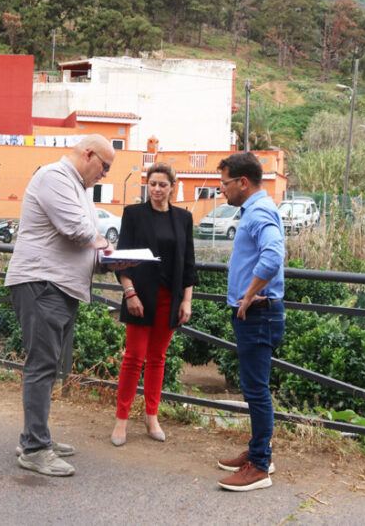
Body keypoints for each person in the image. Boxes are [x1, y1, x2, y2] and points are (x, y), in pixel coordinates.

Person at [4, 134, 122, 477]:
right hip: (43, 284)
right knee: (42, 365)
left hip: (59, 286)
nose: (105, 175)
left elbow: (85, 244)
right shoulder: (54, 177)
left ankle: (36, 437)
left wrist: (110, 262)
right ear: (89, 155)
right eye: (105, 166)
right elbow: (78, 230)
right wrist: (105, 246)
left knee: (49, 364)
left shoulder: (79, 188)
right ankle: (35, 449)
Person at [213, 152, 286, 492]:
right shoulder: (258, 209)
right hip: (257, 313)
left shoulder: (258, 212)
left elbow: (274, 254)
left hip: (257, 314)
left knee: (256, 392)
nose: (222, 189)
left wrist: (249, 293)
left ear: (243, 182)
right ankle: (261, 452)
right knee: (254, 389)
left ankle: (258, 466)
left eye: (225, 183)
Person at [110, 161, 196, 446]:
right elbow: (121, 258)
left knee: (158, 359)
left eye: (163, 185)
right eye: (152, 184)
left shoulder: (183, 218)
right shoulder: (134, 214)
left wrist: (186, 301)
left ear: (172, 187)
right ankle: (121, 421)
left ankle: (151, 417)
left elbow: (188, 263)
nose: (157, 189)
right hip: (139, 297)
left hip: (168, 299)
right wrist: (129, 293)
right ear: (147, 185)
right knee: (134, 358)